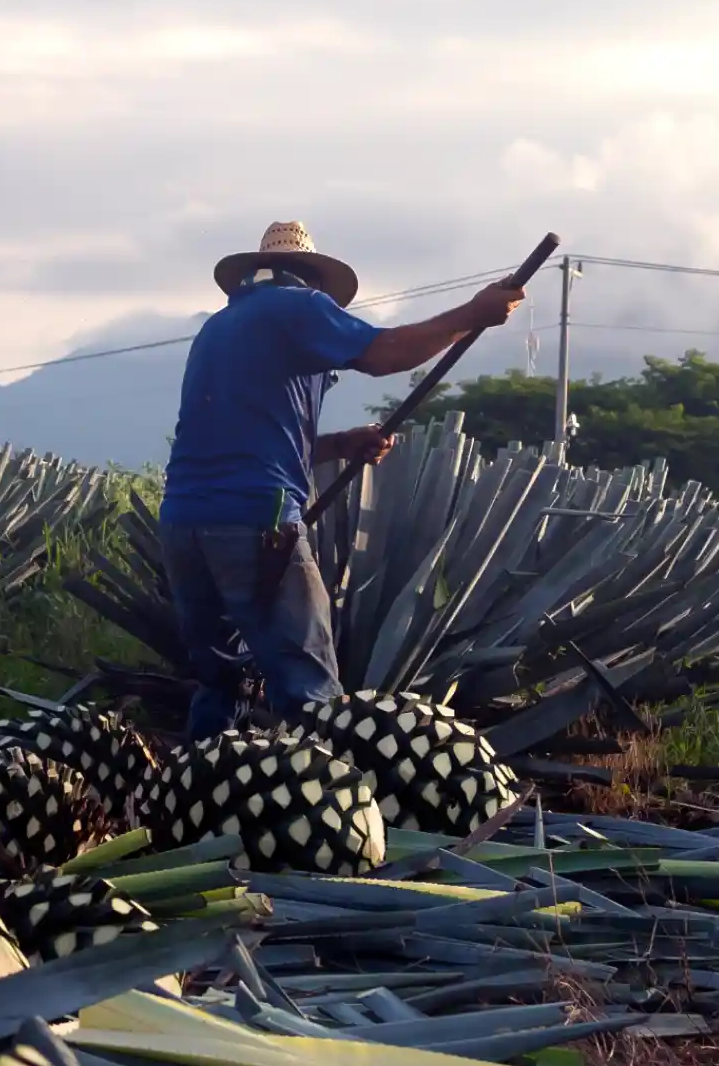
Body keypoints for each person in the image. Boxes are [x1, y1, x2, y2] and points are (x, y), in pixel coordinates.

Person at [159, 222, 526, 741]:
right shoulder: (298, 307)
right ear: (312, 280)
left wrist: (340, 444)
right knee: (308, 688)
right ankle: (325, 808)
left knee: (222, 681)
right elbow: (384, 354)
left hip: (183, 521)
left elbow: (246, 438)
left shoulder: (221, 328)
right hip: (255, 518)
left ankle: (201, 793)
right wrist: (474, 315)